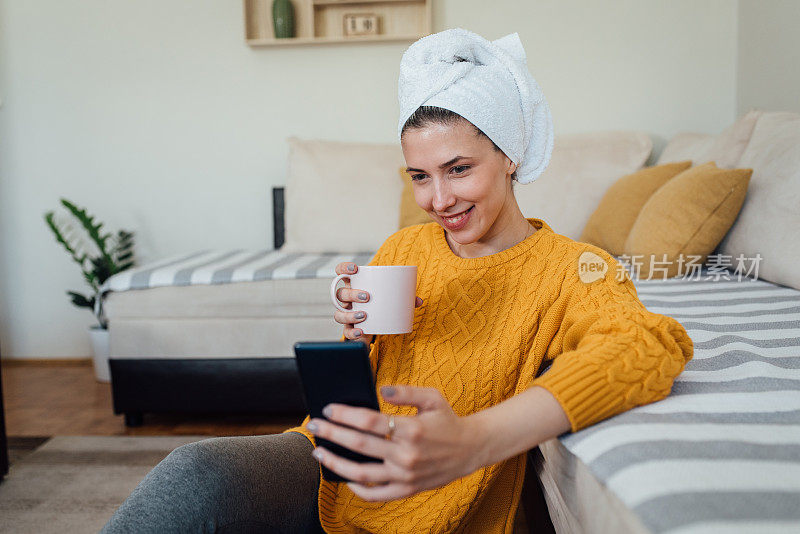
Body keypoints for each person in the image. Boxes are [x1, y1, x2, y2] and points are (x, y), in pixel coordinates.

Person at [102, 28, 693, 534]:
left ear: (510, 155)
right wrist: (355, 340)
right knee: (194, 473)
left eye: (459, 170)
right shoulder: (404, 247)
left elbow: (648, 348)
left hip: (448, 503)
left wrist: (475, 440)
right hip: (334, 460)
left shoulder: (574, 268)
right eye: (419, 176)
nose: (437, 200)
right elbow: (367, 382)